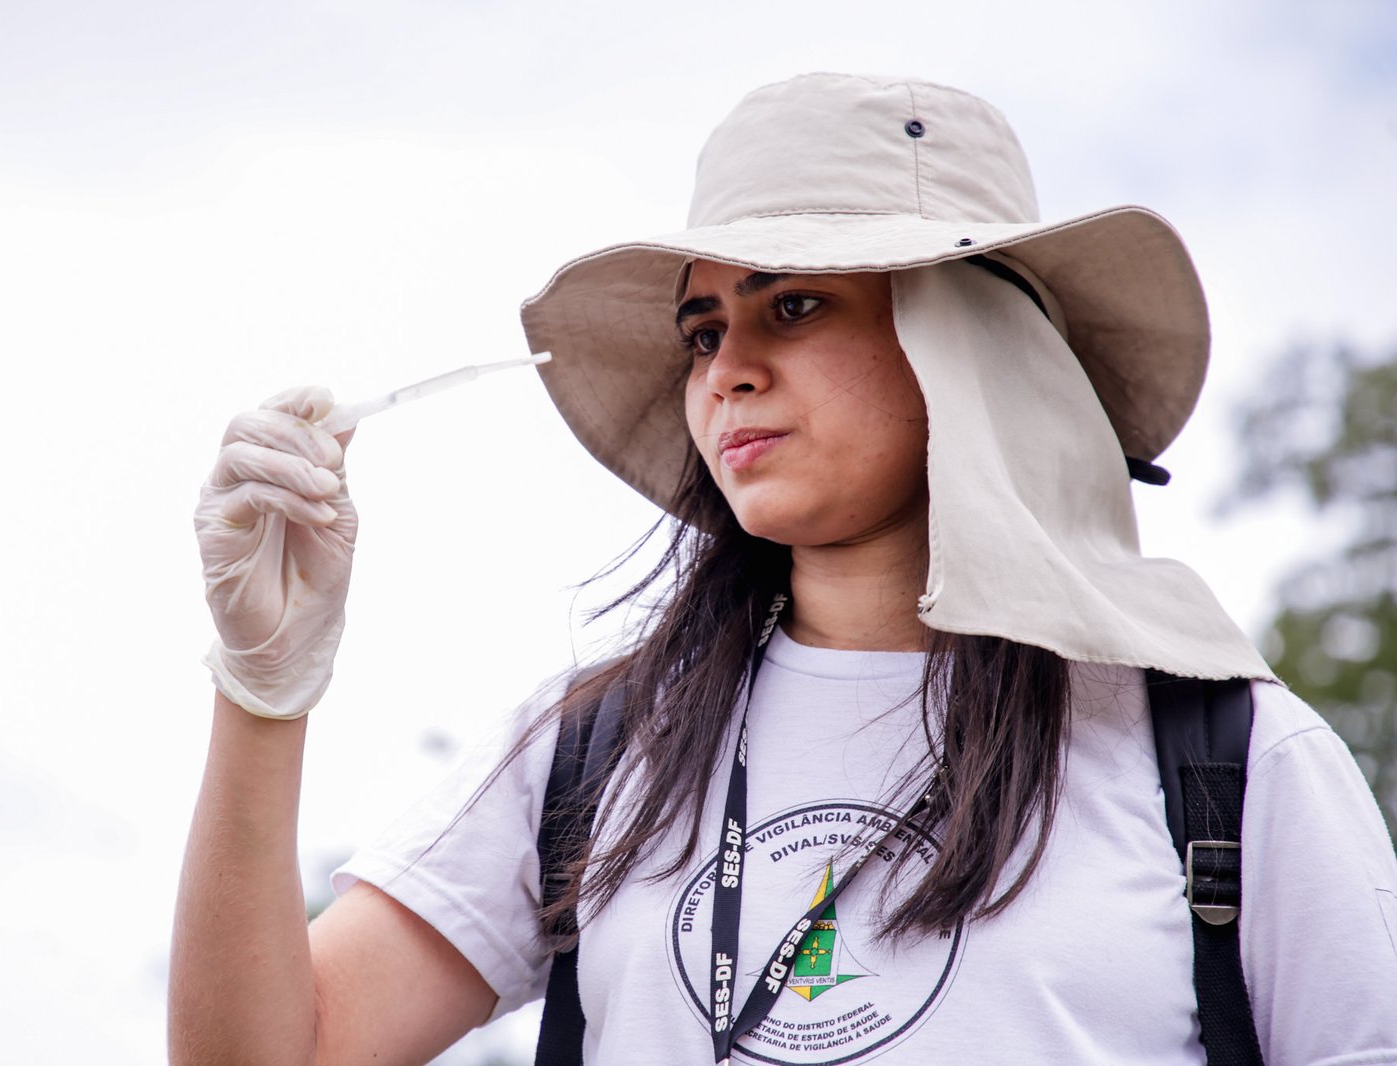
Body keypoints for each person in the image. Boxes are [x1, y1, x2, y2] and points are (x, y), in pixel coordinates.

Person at [170, 74, 1397, 1065]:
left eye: (795, 305)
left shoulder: (1228, 758)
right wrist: (261, 696)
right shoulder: (594, 752)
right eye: (702, 331)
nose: (725, 372)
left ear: (968, 343)